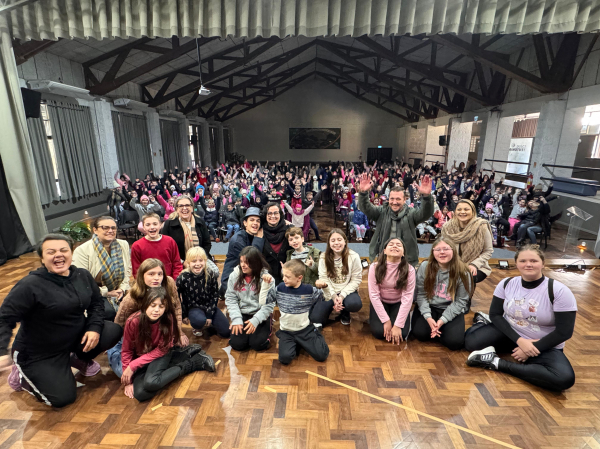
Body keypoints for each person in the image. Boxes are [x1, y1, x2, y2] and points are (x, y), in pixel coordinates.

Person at [0, 234, 122, 407]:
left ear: (71, 253)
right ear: (42, 258)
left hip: (72, 339)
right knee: (62, 399)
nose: (58, 255)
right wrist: (1, 351)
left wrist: (94, 328)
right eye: (51, 252)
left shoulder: (82, 275)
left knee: (112, 330)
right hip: (38, 353)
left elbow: (96, 304)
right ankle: (22, 376)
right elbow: (4, 319)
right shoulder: (29, 285)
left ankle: (75, 358)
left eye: (63, 250)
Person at [465, 245, 577, 391]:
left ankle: (496, 362)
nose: (528, 264)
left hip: (543, 342)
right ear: (516, 263)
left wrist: (532, 347)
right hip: (511, 332)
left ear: (543, 264)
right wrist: (520, 341)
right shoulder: (506, 284)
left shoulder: (559, 291)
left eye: (533, 261)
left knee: (563, 379)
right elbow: (495, 314)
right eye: (523, 261)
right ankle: (482, 322)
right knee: (470, 343)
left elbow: (564, 332)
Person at [121, 287, 215, 401]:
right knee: (140, 393)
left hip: (160, 354)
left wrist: (133, 365)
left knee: (151, 382)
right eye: (153, 305)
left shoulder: (168, 319)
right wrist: (128, 381)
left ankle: (194, 362)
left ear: (165, 308)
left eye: (161, 306)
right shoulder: (132, 322)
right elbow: (126, 350)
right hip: (143, 359)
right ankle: (181, 354)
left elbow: (161, 350)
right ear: (145, 304)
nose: (156, 310)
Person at [110, 258, 188, 377]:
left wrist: (179, 332)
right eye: (151, 274)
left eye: (160, 274)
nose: (156, 278)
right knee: (127, 374)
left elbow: (176, 307)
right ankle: (113, 352)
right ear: (142, 275)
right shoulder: (131, 298)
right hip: (134, 336)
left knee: (170, 353)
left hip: (158, 330)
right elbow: (119, 324)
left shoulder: (169, 283)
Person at [358, 172, 434, 266]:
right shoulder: (381, 211)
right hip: (382, 259)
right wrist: (363, 193)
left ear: (404, 199)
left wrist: (426, 197)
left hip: (406, 261)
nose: (394, 202)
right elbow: (366, 208)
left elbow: (426, 213)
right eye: (392, 199)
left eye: (398, 199)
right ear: (388, 199)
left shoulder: (411, 213)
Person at [411, 237, 474, 351]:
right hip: (430, 306)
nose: (442, 252)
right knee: (420, 334)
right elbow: (421, 294)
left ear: (453, 251)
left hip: (451, 307)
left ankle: (440, 328)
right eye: (438, 249)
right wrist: (428, 317)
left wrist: (443, 320)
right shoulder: (425, 267)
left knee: (454, 343)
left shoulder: (463, 271)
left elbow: (461, 301)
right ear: (433, 252)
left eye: (446, 249)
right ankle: (437, 329)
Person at [267, 259, 329, 365]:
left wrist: (325, 287)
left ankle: (314, 333)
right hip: (287, 331)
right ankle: (297, 343)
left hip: (304, 330)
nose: (284, 279)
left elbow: (327, 298)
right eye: (283, 275)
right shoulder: (280, 288)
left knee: (322, 355)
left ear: (299, 278)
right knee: (285, 359)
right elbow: (264, 301)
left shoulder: (309, 290)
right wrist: (266, 285)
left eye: (288, 277)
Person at [72, 216, 131, 321]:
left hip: (120, 289)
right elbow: (82, 282)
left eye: (113, 228)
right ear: (95, 230)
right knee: (108, 313)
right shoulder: (82, 250)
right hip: (96, 294)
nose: (110, 231)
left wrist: (122, 288)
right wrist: (106, 293)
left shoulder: (123, 244)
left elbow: (128, 270)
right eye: (105, 227)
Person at [225, 247, 276, 352]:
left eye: (247, 262)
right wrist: (236, 318)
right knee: (237, 344)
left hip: (259, 313)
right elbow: (231, 298)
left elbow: (269, 305)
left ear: (255, 263)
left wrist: (256, 320)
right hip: (242, 313)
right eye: (241, 261)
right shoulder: (234, 276)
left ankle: (268, 324)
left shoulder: (267, 278)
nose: (243, 265)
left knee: (258, 344)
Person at [368, 238, 415, 344]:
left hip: (398, 302)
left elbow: (407, 298)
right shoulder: (374, 267)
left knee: (402, 334)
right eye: (391, 244)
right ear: (384, 251)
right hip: (381, 301)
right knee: (379, 332)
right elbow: (374, 295)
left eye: (399, 245)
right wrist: (386, 320)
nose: (395, 246)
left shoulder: (410, 270)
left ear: (403, 253)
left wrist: (397, 325)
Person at [313, 229, 363, 326]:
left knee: (354, 304)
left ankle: (344, 312)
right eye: (333, 240)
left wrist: (342, 295)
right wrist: (333, 296)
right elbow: (323, 278)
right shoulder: (323, 257)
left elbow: (356, 279)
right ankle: (332, 305)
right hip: (329, 290)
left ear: (345, 241)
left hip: (347, 290)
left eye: (339, 240)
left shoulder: (354, 256)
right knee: (316, 318)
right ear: (329, 243)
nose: (336, 243)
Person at [177, 247, 230, 339]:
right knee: (199, 321)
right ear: (188, 262)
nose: (198, 264)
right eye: (194, 261)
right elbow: (177, 297)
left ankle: (209, 324)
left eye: (201, 260)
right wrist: (183, 314)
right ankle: (198, 326)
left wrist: (209, 315)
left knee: (227, 332)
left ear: (205, 261)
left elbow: (214, 295)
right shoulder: (182, 277)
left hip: (209, 306)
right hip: (193, 308)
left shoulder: (210, 274)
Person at [441, 199, 493, 284]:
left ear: (473, 211)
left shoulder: (481, 226)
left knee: (465, 278)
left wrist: (474, 264)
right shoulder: (447, 227)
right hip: (451, 264)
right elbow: (441, 247)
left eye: (466, 209)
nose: (462, 212)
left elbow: (488, 251)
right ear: (455, 212)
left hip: (478, 265)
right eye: (459, 209)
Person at [221, 207, 265, 296]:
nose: (255, 223)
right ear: (245, 223)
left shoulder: (256, 235)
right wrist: (258, 240)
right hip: (232, 282)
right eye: (252, 220)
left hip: (247, 278)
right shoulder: (238, 240)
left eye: (258, 221)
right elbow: (251, 260)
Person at [131, 213, 183, 279]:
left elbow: (177, 264)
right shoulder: (137, 246)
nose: (152, 227)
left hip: (168, 280)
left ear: (160, 225)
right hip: (148, 282)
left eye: (155, 224)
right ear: (143, 227)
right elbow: (136, 270)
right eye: (148, 225)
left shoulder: (170, 241)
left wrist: (175, 280)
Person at [161, 195, 211, 261]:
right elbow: (165, 246)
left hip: (200, 260)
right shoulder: (169, 224)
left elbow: (207, 244)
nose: (184, 208)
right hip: (178, 261)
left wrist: (199, 260)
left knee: (213, 268)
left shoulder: (200, 222)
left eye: (187, 205)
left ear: (192, 208)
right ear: (176, 209)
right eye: (181, 206)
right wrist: (182, 262)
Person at [261, 202, 291, 284]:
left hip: (286, 278)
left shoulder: (289, 229)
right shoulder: (259, 230)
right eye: (269, 213)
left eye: (276, 213)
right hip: (266, 278)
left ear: (280, 214)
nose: (273, 216)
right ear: (265, 215)